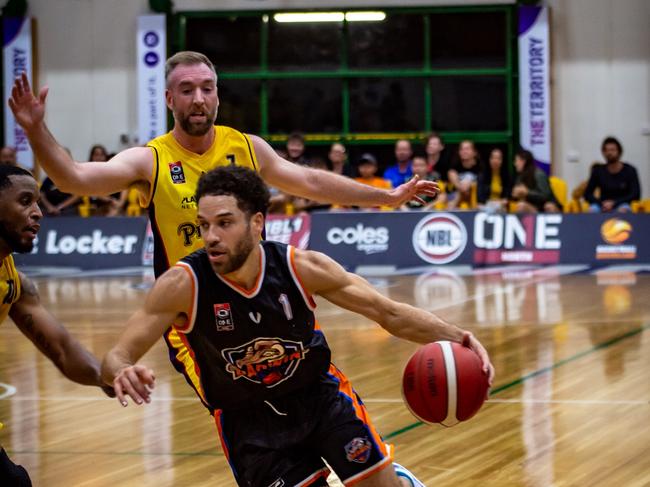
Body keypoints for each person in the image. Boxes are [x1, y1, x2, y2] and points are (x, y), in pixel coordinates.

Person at [101, 166, 494, 487]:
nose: (211, 237)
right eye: (204, 225)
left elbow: (387, 312)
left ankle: (398, 480)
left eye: (224, 223)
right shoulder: (183, 284)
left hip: (319, 398)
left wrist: (458, 337)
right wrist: (121, 369)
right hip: (248, 423)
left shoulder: (300, 267)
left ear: (257, 223)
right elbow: (117, 355)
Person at [9, 51, 437, 277]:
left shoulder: (247, 146)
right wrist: (35, 130)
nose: (198, 98)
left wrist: (386, 197)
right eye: (187, 89)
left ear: (217, 96)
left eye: (207, 88)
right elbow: (74, 178)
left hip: (256, 289)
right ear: (169, 99)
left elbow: (309, 180)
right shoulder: (149, 158)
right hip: (191, 306)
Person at [0, 165, 113, 486]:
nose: (37, 213)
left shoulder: (12, 280)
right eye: (24, 202)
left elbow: (62, 349)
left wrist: (107, 377)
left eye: (37, 202)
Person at [584, 136, 641, 213]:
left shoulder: (630, 170)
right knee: (592, 210)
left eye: (612, 150)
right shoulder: (598, 171)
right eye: (606, 150)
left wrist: (614, 203)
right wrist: (601, 203)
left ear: (619, 151)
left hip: (622, 203)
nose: (609, 153)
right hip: (602, 205)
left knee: (624, 209)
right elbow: (587, 194)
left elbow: (635, 194)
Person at [447, 140, 482, 210]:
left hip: (474, 199)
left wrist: (469, 184)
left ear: (474, 152)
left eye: (467, 149)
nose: (464, 151)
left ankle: (449, 210)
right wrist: (461, 187)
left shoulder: (480, 167)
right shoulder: (454, 166)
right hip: (456, 197)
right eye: (462, 149)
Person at [477, 148, 512, 212]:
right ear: (489, 160)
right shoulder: (482, 176)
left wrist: (500, 202)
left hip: (500, 205)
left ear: (502, 161)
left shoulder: (507, 176)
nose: (495, 161)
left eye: (498, 158)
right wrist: (490, 203)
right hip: (486, 204)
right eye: (493, 158)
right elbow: (480, 197)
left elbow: (507, 196)